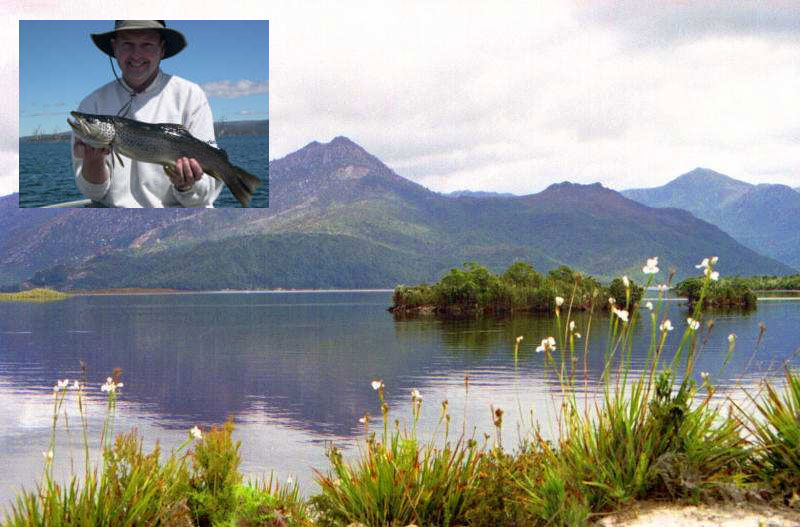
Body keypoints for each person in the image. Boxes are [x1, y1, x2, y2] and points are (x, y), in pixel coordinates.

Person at [72, 20, 222, 207]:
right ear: (114, 47)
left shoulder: (190, 95)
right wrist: (93, 161)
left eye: (147, 45)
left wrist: (187, 186)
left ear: (162, 48)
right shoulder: (92, 104)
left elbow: (205, 196)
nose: (136, 55)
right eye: (127, 44)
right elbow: (93, 192)